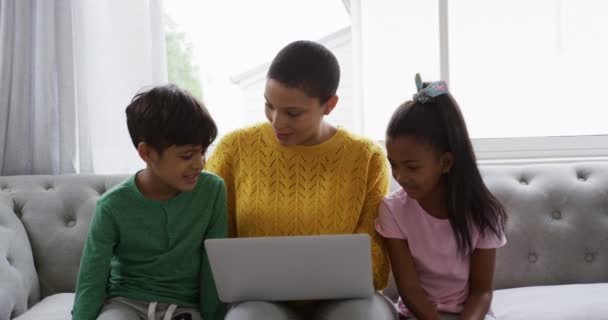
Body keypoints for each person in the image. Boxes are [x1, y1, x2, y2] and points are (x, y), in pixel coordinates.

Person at [206, 40, 397, 319]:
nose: (276, 122)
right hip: (259, 300)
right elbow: (214, 238)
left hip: (347, 300)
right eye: (269, 106)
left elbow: (375, 261)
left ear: (329, 105)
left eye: (292, 113)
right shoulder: (233, 149)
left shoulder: (367, 158)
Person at [72, 85, 227, 320]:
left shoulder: (212, 190)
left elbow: (213, 269)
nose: (199, 164)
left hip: (185, 308)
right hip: (125, 304)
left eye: (203, 152)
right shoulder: (111, 206)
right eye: (187, 155)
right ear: (147, 153)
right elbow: (91, 280)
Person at [375, 74, 507, 320]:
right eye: (393, 165)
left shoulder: (484, 213)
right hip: (418, 315)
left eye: (412, 167)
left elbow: (481, 292)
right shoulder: (392, 210)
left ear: (445, 162)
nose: (400, 176)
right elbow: (409, 289)